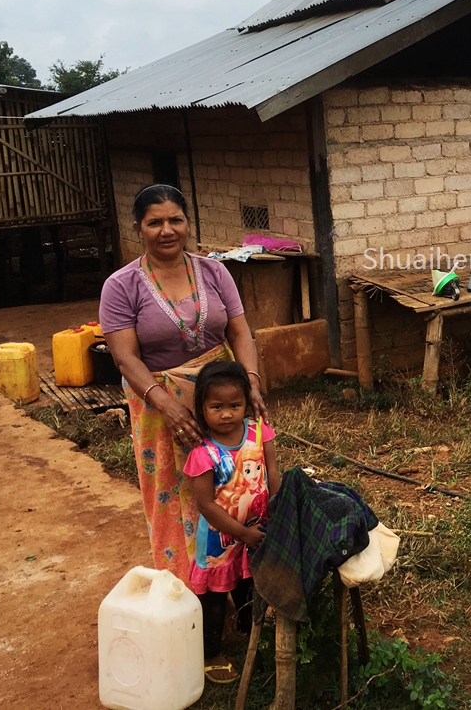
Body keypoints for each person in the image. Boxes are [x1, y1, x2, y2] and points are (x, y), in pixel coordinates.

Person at [100, 184, 267, 586]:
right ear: (139, 228)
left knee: (234, 481)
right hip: (157, 401)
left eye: (175, 219)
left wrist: (251, 385)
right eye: (154, 222)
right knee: (173, 494)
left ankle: (237, 574)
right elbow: (125, 357)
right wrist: (167, 405)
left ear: (188, 223)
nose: (167, 230)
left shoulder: (214, 271)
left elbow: (240, 333)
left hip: (220, 396)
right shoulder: (121, 286)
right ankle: (183, 586)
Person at [184, 360, 278, 684]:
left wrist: (278, 513)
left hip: (257, 531)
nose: (227, 414)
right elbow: (207, 505)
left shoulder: (258, 431)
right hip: (219, 543)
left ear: (246, 403)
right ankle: (211, 652)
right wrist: (241, 532)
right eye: (217, 406)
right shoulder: (203, 452)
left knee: (249, 585)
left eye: (235, 405)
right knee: (212, 598)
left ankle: (247, 632)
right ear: (201, 408)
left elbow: (273, 474)